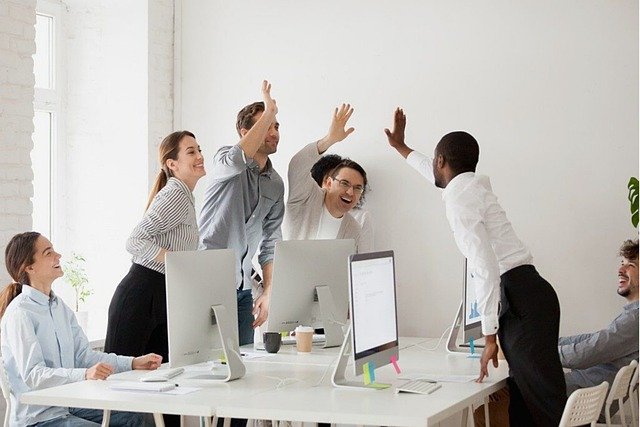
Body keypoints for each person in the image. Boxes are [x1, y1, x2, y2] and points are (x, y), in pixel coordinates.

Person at [384, 108, 566, 425]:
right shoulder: (472, 185)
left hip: (521, 301)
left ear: (442, 161)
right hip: (534, 293)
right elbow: (436, 174)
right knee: (526, 401)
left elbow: (484, 269)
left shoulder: (459, 198)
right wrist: (402, 147)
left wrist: (489, 336)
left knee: (545, 409)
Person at [0, 232, 162, 426]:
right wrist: (84, 374)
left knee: (138, 416)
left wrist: (133, 363)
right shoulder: (20, 313)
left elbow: (85, 357)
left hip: (69, 406)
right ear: (29, 267)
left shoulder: (60, 308)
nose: (58, 255)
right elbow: (33, 375)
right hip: (39, 418)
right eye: (48, 252)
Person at [105, 130, 205, 362]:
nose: (200, 156)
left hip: (162, 294)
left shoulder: (184, 195)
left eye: (199, 150)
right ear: (172, 164)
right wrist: (176, 261)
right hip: (142, 295)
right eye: (191, 152)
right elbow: (135, 240)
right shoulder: (175, 194)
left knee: (159, 378)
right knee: (122, 381)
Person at [199, 81, 285, 346]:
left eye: (276, 125)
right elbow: (237, 158)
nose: (274, 132)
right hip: (207, 283)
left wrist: (269, 291)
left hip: (243, 288)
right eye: (267, 125)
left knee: (243, 365)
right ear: (245, 132)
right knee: (206, 365)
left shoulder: (276, 183)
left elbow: (271, 242)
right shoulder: (225, 160)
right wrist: (269, 110)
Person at [283, 104, 373, 253]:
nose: (350, 192)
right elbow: (297, 165)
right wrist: (329, 140)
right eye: (345, 183)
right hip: (288, 274)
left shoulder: (353, 229)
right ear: (329, 183)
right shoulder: (306, 197)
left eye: (358, 188)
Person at [559, 239, 639, 403]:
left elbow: (584, 354)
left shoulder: (635, 319)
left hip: (582, 401)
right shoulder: (632, 317)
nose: (620, 269)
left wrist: (536, 352)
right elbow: (593, 339)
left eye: (631, 265)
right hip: (584, 394)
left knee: (514, 385)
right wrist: (546, 344)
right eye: (622, 263)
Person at [310, 153, 374, 247]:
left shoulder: (358, 221)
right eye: (344, 183)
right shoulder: (305, 210)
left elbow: (364, 258)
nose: (349, 191)